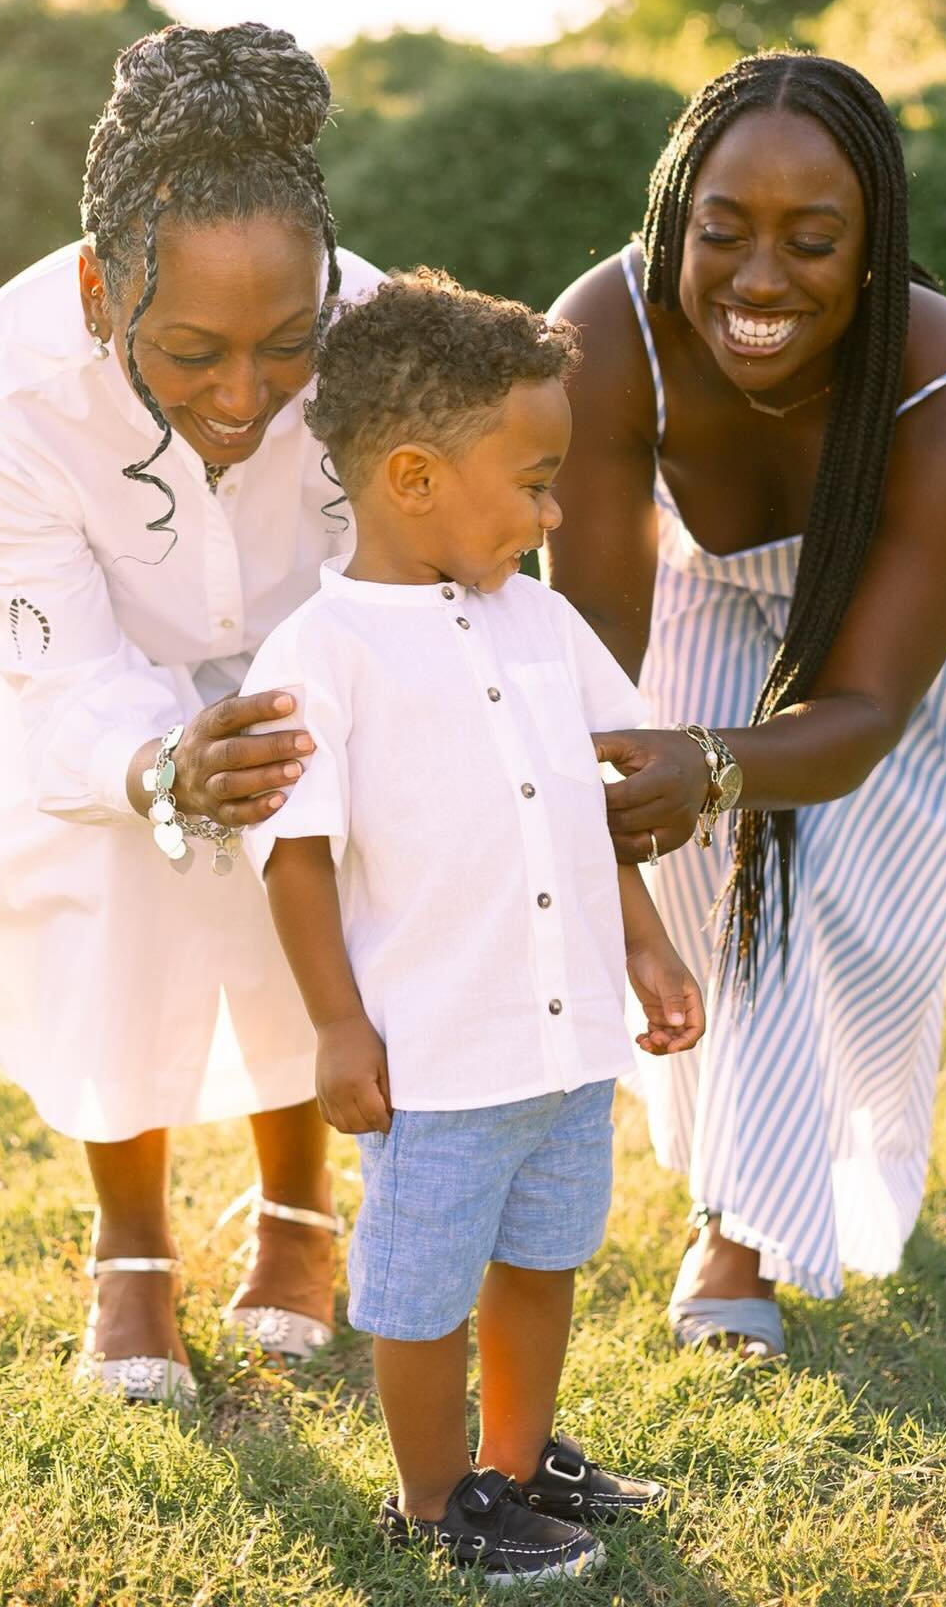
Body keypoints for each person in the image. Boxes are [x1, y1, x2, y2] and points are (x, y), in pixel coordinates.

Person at [0, 23, 388, 1405]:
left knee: (310, 840)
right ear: (107, 293)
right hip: (60, 665)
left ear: (332, 289)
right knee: (119, 866)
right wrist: (160, 760)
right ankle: (132, 1243)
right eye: (191, 352)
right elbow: (63, 683)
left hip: (306, 636)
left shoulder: (381, 338)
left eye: (285, 345)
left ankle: (299, 1207)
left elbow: (397, 585)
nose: (243, 397)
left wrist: (308, 731)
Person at [547, 52, 946, 1359]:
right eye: (722, 233)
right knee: (718, 869)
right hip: (712, 573)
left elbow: (865, 712)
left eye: (813, 240)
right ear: (675, 222)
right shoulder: (606, 334)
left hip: (932, 585)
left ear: (875, 245)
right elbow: (595, 650)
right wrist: (607, 772)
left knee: (839, 876)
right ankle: (736, 1222)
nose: (761, 280)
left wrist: (718, 761)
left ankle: (793, 1178)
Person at [240, 270, 705, 1584]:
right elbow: (297, 857)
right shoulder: (322, 654)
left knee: (544, 1255)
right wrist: (337, 1025)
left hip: (559, 1044)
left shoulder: (543, 621)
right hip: (438, 1058)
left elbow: (589, 803)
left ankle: (515, 1458)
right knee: (421, 1288)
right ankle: (436, 1498)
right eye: (537, 481)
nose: (556, 512)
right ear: (416, 477)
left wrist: (650, 943)